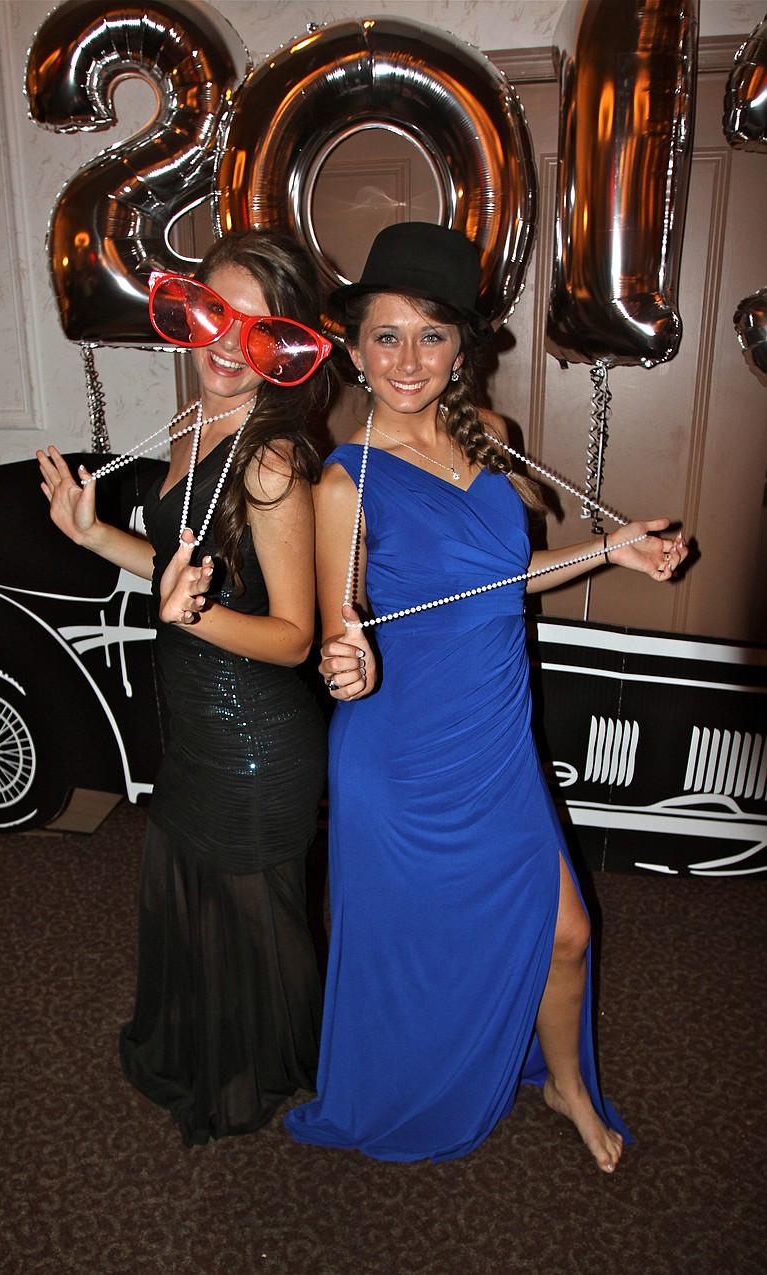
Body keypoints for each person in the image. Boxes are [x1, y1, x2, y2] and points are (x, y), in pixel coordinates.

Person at [284, 221, 689, 1170]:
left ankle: (566, 1084)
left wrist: (613, 549)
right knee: (410, 946)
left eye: (432, 334)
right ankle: (405, 1081)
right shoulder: (345, 480)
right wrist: (347, 663)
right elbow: (342, 625)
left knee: (566, 933)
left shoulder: (493, 441)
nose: (408, 360)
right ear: (353, 351)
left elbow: (503, 576)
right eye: (387, 336)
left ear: (462, 348)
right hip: (401, 754)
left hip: (494, 738)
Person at [37, 230, 334, 1146]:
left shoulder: (272, 460)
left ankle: (281, 1069)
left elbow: (294, 636)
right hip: (201, 725)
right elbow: (176, 566)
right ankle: (221, 1052)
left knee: (253, 918)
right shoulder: (190, 419)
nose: (227, 343)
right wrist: (94, 536)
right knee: (191, 891)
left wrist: (192, 619)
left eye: (256, 329)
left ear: (283, 348)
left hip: (257, 740)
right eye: (215, 314)